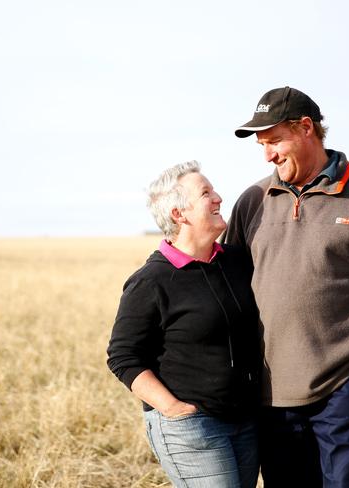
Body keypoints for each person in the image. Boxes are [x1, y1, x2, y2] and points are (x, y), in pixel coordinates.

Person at [224, 86, 349, 487]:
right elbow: (228, 291)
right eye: (262, 145)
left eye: (275, 141)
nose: (268, 155)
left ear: (306, 128)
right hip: (271, 396)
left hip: (344, 391)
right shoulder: (252, 201)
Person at [107, 161, 261, 488]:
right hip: (192, 425)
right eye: (206, 193)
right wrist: (173, 408)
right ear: (180, 214)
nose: (218, 197)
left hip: (245, 420)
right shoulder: (152, 281)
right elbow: (123, 356)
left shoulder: (235, 262)